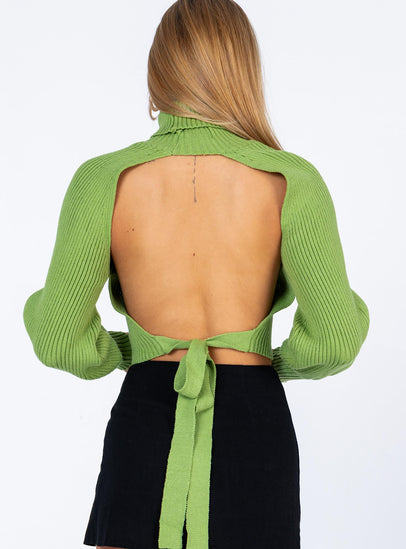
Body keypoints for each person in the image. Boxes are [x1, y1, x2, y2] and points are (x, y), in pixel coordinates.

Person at [22, 1, 370, 548]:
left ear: (156, 74)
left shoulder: (102, 180)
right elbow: (336, 338)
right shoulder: (292, 180)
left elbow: (59, 338)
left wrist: (138, 351)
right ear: (243, 73)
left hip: (144, 415)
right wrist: (266, 360)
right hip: (255, 421)